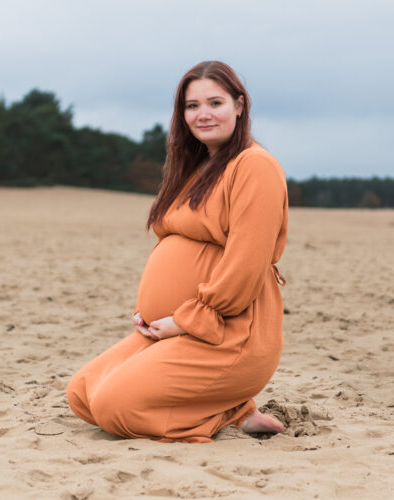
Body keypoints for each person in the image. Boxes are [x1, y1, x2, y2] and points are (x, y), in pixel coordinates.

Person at [66, 61, 289, 443]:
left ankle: (224, 411)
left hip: (226, 333)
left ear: (239, 105)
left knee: (113, 406)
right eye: (192, 106)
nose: (202, 114)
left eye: (215, 102)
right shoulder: (197, 167)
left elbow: (246, 266)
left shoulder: (254, 166)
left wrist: (187, 319)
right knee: (82, 394)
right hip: (175, 327)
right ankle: (231, 411)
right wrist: (149, 308)